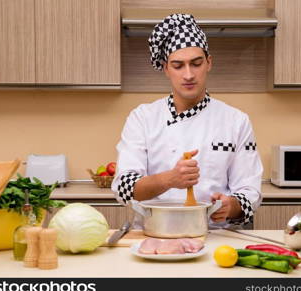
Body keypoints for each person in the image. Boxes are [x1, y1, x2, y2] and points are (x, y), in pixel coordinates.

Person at [111, 14, 263, 229]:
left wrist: (232, 205)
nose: (189, 74)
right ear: (166, 68)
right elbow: (124, 188)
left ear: (208, 63)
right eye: (178, 65)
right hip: (154, 234)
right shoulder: (143, 118)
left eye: (196, 63)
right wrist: (170, 179)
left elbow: (250, 191)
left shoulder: (236, 121)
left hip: (215, 239)